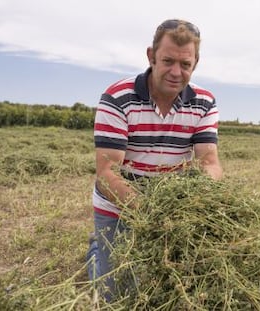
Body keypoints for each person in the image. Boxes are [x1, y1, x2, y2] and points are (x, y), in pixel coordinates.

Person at [86, 18, 223, 301]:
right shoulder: (118, 97)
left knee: (166, 287)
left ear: (195, 63)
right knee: (115, 294)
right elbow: (107, 173)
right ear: (151, 56)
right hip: (118, 202)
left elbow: (209, 163)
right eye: (168, 60)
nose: (176, 72)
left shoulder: (204, 102)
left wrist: (198, 200)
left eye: (185, 64)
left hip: (169, 204)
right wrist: (150, 213)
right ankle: (96, 252)